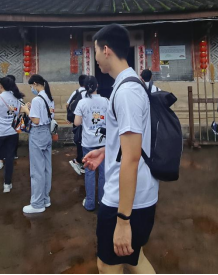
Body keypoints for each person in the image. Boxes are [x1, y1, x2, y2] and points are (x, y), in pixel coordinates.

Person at [83, 24, 158, 274]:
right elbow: (131, 143)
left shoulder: (126, 91)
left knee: (107, 265)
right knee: (134, 259)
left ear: (106, 50)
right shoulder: (128, 85)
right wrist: (106, 150)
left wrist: (123, 220)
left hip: (125, 201)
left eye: (95, 51)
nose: (95, 57)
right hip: (134, 195)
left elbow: (132, 157)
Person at [74, 76, 109, 212]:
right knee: (103, 172)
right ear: (97, 86)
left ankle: (89, 203)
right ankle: (102, 200)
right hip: (103, 142)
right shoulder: (105, 101)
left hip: (88, 142)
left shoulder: (82, 102)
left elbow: (77, 122)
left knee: (89, 172)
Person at [23, 74, 55, 215]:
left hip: (37, 133)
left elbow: (35, 120)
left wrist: (26, 110)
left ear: (35, 84)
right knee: (47, 168)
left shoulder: (37, 99)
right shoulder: (49, 97)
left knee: (37, 170)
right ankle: (45, 198)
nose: (32, 89)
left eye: (31, 86)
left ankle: (37, 203)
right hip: (47, 132)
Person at [68, 75, 88, 176]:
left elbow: (68, 104)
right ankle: (79, 162)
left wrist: (71, 117)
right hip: (86, 123)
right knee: (85, 143)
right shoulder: (89, 93)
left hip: (77, 122)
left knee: (79, 142)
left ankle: (81, 162)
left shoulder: (76, 92)